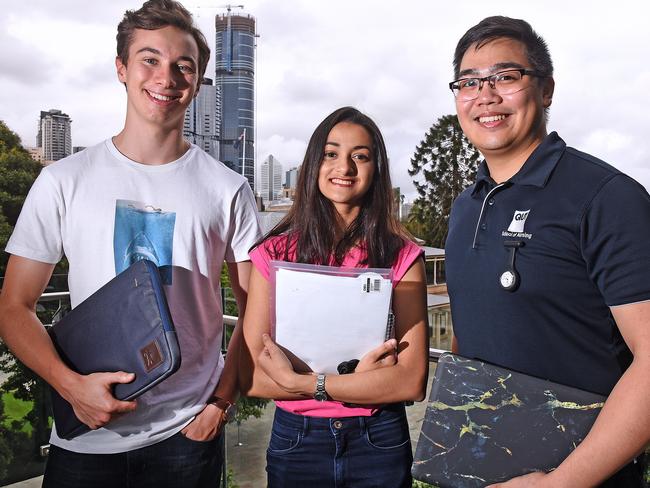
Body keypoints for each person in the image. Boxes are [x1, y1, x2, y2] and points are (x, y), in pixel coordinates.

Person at [0, 1, 261, 486]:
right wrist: (71, 388)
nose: (167, 76)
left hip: (188, 435)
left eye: (184, 65)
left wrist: (220, 406)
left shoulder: (229, 189)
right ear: (121, 68)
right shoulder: (63, 180)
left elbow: (256, 313)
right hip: (87, 438)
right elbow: (14, 307)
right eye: (150, 59)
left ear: (200, 79)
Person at [445, 16, 650, 487]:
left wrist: (558, 484)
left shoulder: (606, 198)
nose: (486, 95)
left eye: (506, 77)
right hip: (482, 470)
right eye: (469, 82)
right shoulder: (465, 207)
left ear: (546, 89)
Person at [238, 106, 429, 487]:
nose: (345, 167)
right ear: (312, 164)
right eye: (331, 154)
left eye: (360, 156)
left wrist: (305, 384)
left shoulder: (401, 256)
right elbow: (253, 377)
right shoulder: (273, 255)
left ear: (377, 171)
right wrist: (359, 384)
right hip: (297, 440)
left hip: (378, 438)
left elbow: (410, 382)